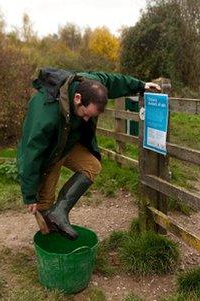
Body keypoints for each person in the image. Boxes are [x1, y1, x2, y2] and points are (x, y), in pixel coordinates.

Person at [17, 68, 161, 240]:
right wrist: (29, 194)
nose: (86, 119)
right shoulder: (46, 111)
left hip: (67, 142)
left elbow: (113, 81)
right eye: (86, 114)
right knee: (44, 204)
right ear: (77, 99)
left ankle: (60, 211)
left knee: (92, 166)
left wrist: (141, 85)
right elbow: (31, 152)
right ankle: (52, 248)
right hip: (50, 150)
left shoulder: (91, 83)